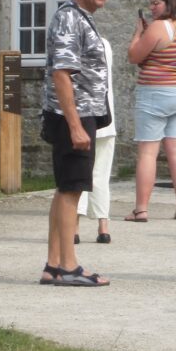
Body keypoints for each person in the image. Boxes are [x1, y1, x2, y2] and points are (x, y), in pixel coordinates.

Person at [39, 0, 119, 286]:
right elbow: (62, 73)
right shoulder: (70, 18)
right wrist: (74, 125)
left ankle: (55, 265)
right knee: (72, 190)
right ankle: (68, 267)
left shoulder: (79, 18)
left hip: (78, 114)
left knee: (66, 190)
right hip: (72, 114)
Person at [125, 0, 176, 222]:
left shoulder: (157, 27)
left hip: (155, 93)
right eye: (151, 3)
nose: (152, 8)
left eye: (156, 3)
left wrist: (138, 33)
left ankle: (141, 209)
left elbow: (134, 57)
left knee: (147, 152)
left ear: (168, 2)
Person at [75, 38, 116, 244]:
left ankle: (74, 227)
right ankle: (103, 227)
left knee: (78, 173)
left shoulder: (75, 44)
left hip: (84, 117)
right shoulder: (105, 43)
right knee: (101, 174)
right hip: (107, 118)